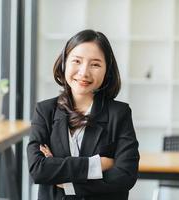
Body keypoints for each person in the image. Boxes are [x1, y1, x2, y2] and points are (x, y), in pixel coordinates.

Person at [27, 29, 139, 200]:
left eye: (95, 64)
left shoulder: (120, 114)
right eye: (77, 61)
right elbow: (38, 169)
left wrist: (66, 182)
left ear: (107, 70)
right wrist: (97, 165)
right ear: (64, 63)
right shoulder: (45, 111)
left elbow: (125, 176)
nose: (84, 72)